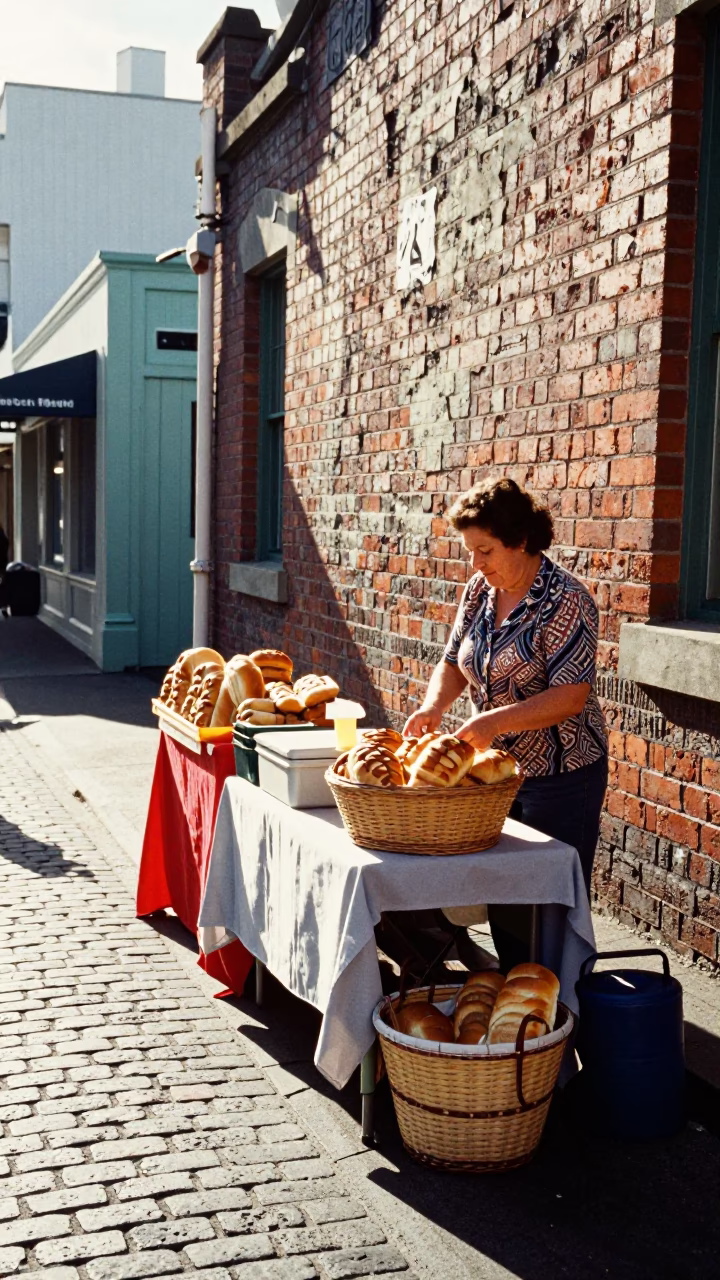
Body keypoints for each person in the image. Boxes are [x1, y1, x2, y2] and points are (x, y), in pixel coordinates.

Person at [402, 477, 608, 973]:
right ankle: (514, 1005)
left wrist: (492, 722)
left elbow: (570, 695)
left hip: (562, 778)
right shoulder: (480, 589)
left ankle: (560, 1021)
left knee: (544, 912)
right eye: (471, 551)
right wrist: (433, 707)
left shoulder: (566, 601)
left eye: (485, 550)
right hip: (498, 776)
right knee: (505, 901)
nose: (476, 564)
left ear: (521, 540)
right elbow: (453, 661)